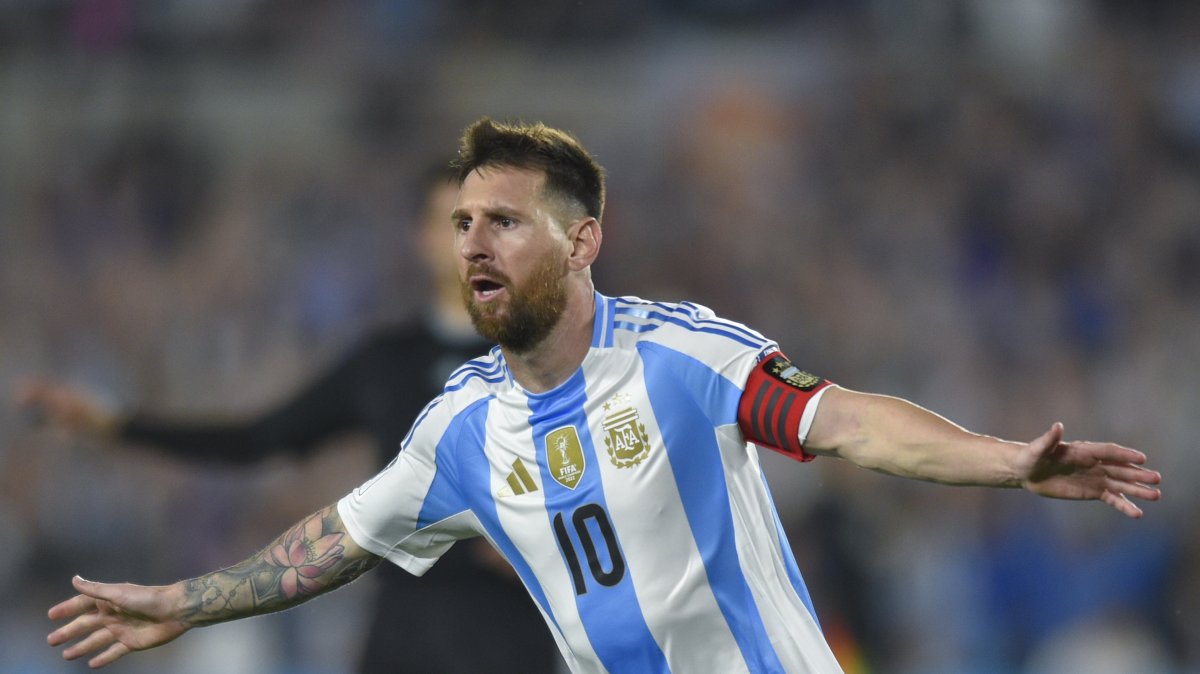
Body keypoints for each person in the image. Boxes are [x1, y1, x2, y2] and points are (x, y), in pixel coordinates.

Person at [46, 118, 1162, 673]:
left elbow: (851, 422)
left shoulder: (682, 357)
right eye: (462, 224)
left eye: (505, 221)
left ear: (583, 241)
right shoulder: (460, 431)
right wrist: (186, 601)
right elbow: (334, 539)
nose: (473, 244)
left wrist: (1007, 458)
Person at [23, 166, 562, 674]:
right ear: (421, 235)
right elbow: (277, 461)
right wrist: (118, 427)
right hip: (404, 644)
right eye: (457, 223)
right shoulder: (387, 365)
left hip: (508, 644)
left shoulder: (556, 363)